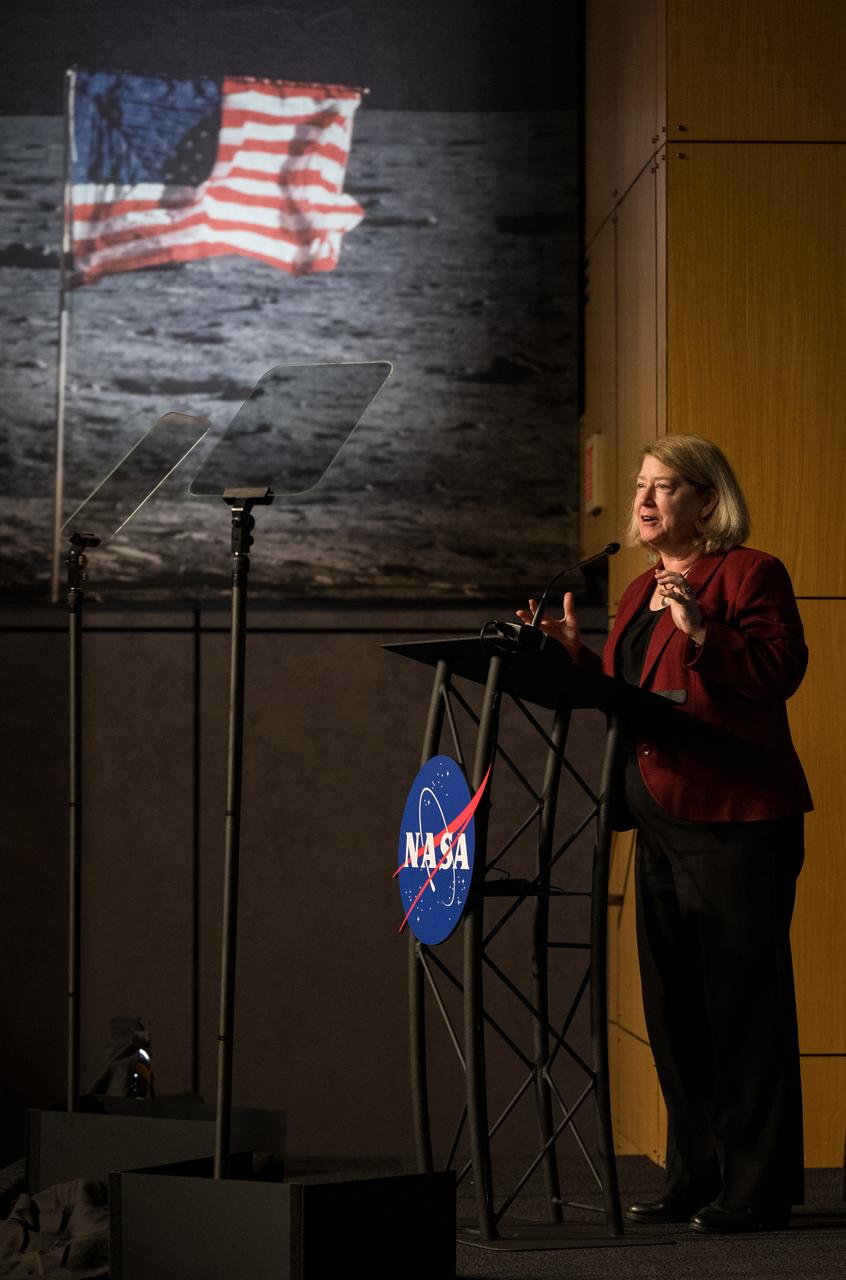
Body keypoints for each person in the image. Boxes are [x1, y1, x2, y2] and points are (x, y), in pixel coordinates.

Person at [518, 435, 811, 1234]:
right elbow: (635, 702)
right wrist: (572, 662)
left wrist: (705, 630)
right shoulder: (643, 585)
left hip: (735, 821)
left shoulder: (749, 573)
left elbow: (782, 669)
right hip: (656, 820)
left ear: (707, 501)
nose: (642, 501)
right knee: (675, 1011)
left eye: (663, 488)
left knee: (742, 1013)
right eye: (639, 486)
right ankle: (695, 1175)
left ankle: (757, 1188)